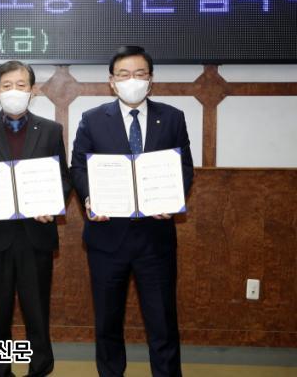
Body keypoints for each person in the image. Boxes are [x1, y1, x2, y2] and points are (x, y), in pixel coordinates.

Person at [70, 45, 194, 377]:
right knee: (107, 322)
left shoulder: (172, 117)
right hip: (107, 238)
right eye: (124, 75)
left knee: (163, 322)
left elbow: (184, 167)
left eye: (140, 74)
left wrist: (172, 198)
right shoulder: (93, 119)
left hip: (156, 239)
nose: (132, 81)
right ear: (112, 81)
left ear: (151, 80)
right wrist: (89, 197)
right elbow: (79, 167)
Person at [0, 60, 72, 377]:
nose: (14, 91)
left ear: (33, 91)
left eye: (21, 85)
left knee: (37, 312)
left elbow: (63, 179)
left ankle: (40, 369)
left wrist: (53, 204)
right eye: (7, 85)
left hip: (35, 235)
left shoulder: (51, 130)